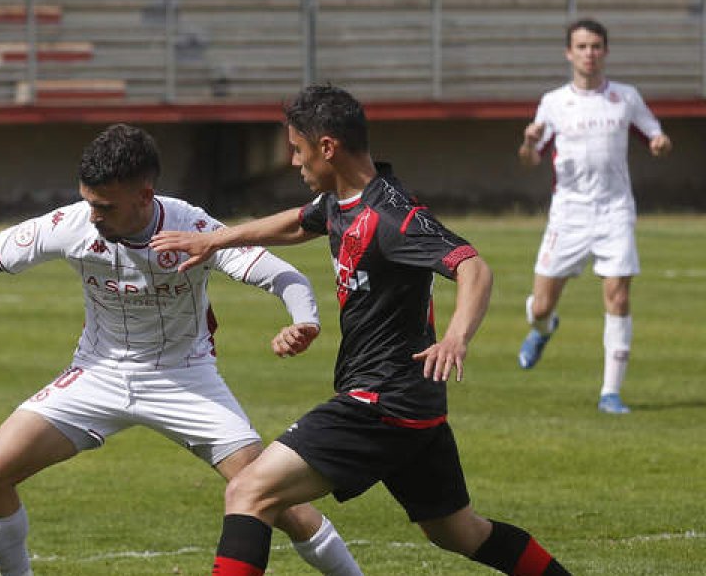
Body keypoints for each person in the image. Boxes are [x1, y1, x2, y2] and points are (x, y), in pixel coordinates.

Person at [0, 123, 362, 576]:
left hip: (185, 379)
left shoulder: (194, 227)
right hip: (97, 373)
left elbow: (286, 276)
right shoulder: (73, 225)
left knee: (277, 502)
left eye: (105, 206)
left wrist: (305, 320)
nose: (94, 215)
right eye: (89, 202)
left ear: (144, 195)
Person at [150, 85, 571, 576]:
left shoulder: (392, 216)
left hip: (380, 402)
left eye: (297, 149)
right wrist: (218, 239)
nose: (292, 161)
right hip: (413, 406)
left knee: (250, 491)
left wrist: (457, 336)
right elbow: (297, 224)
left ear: (327, 147)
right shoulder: (340, 202)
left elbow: (473, 266)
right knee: (459, 531)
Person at [516, 18, 673, 415]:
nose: (590, 53)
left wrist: (660, 142)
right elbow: (530, 160)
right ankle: (543, 328)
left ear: (605, 51)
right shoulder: (553, 102)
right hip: (569, 213)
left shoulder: (626, 97)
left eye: (596, 46)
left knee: (618, 296)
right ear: (569, 53)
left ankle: (610, 393)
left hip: (615, 210)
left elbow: (654, 134)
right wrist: (528, 142)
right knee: (541, 306)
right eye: (582, 47)